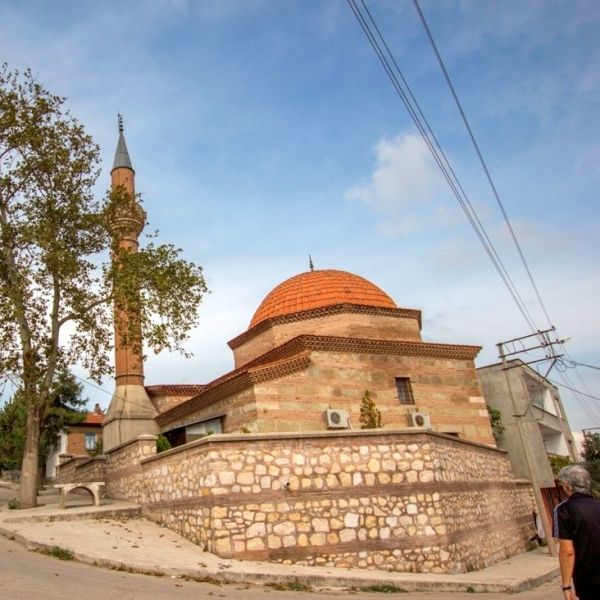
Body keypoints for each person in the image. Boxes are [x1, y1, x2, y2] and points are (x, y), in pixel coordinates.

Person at [554, 465, 600, 600]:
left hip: (589, 581)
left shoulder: (564, 510)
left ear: (567, 486)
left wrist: (566, 586)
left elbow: (567, 551)